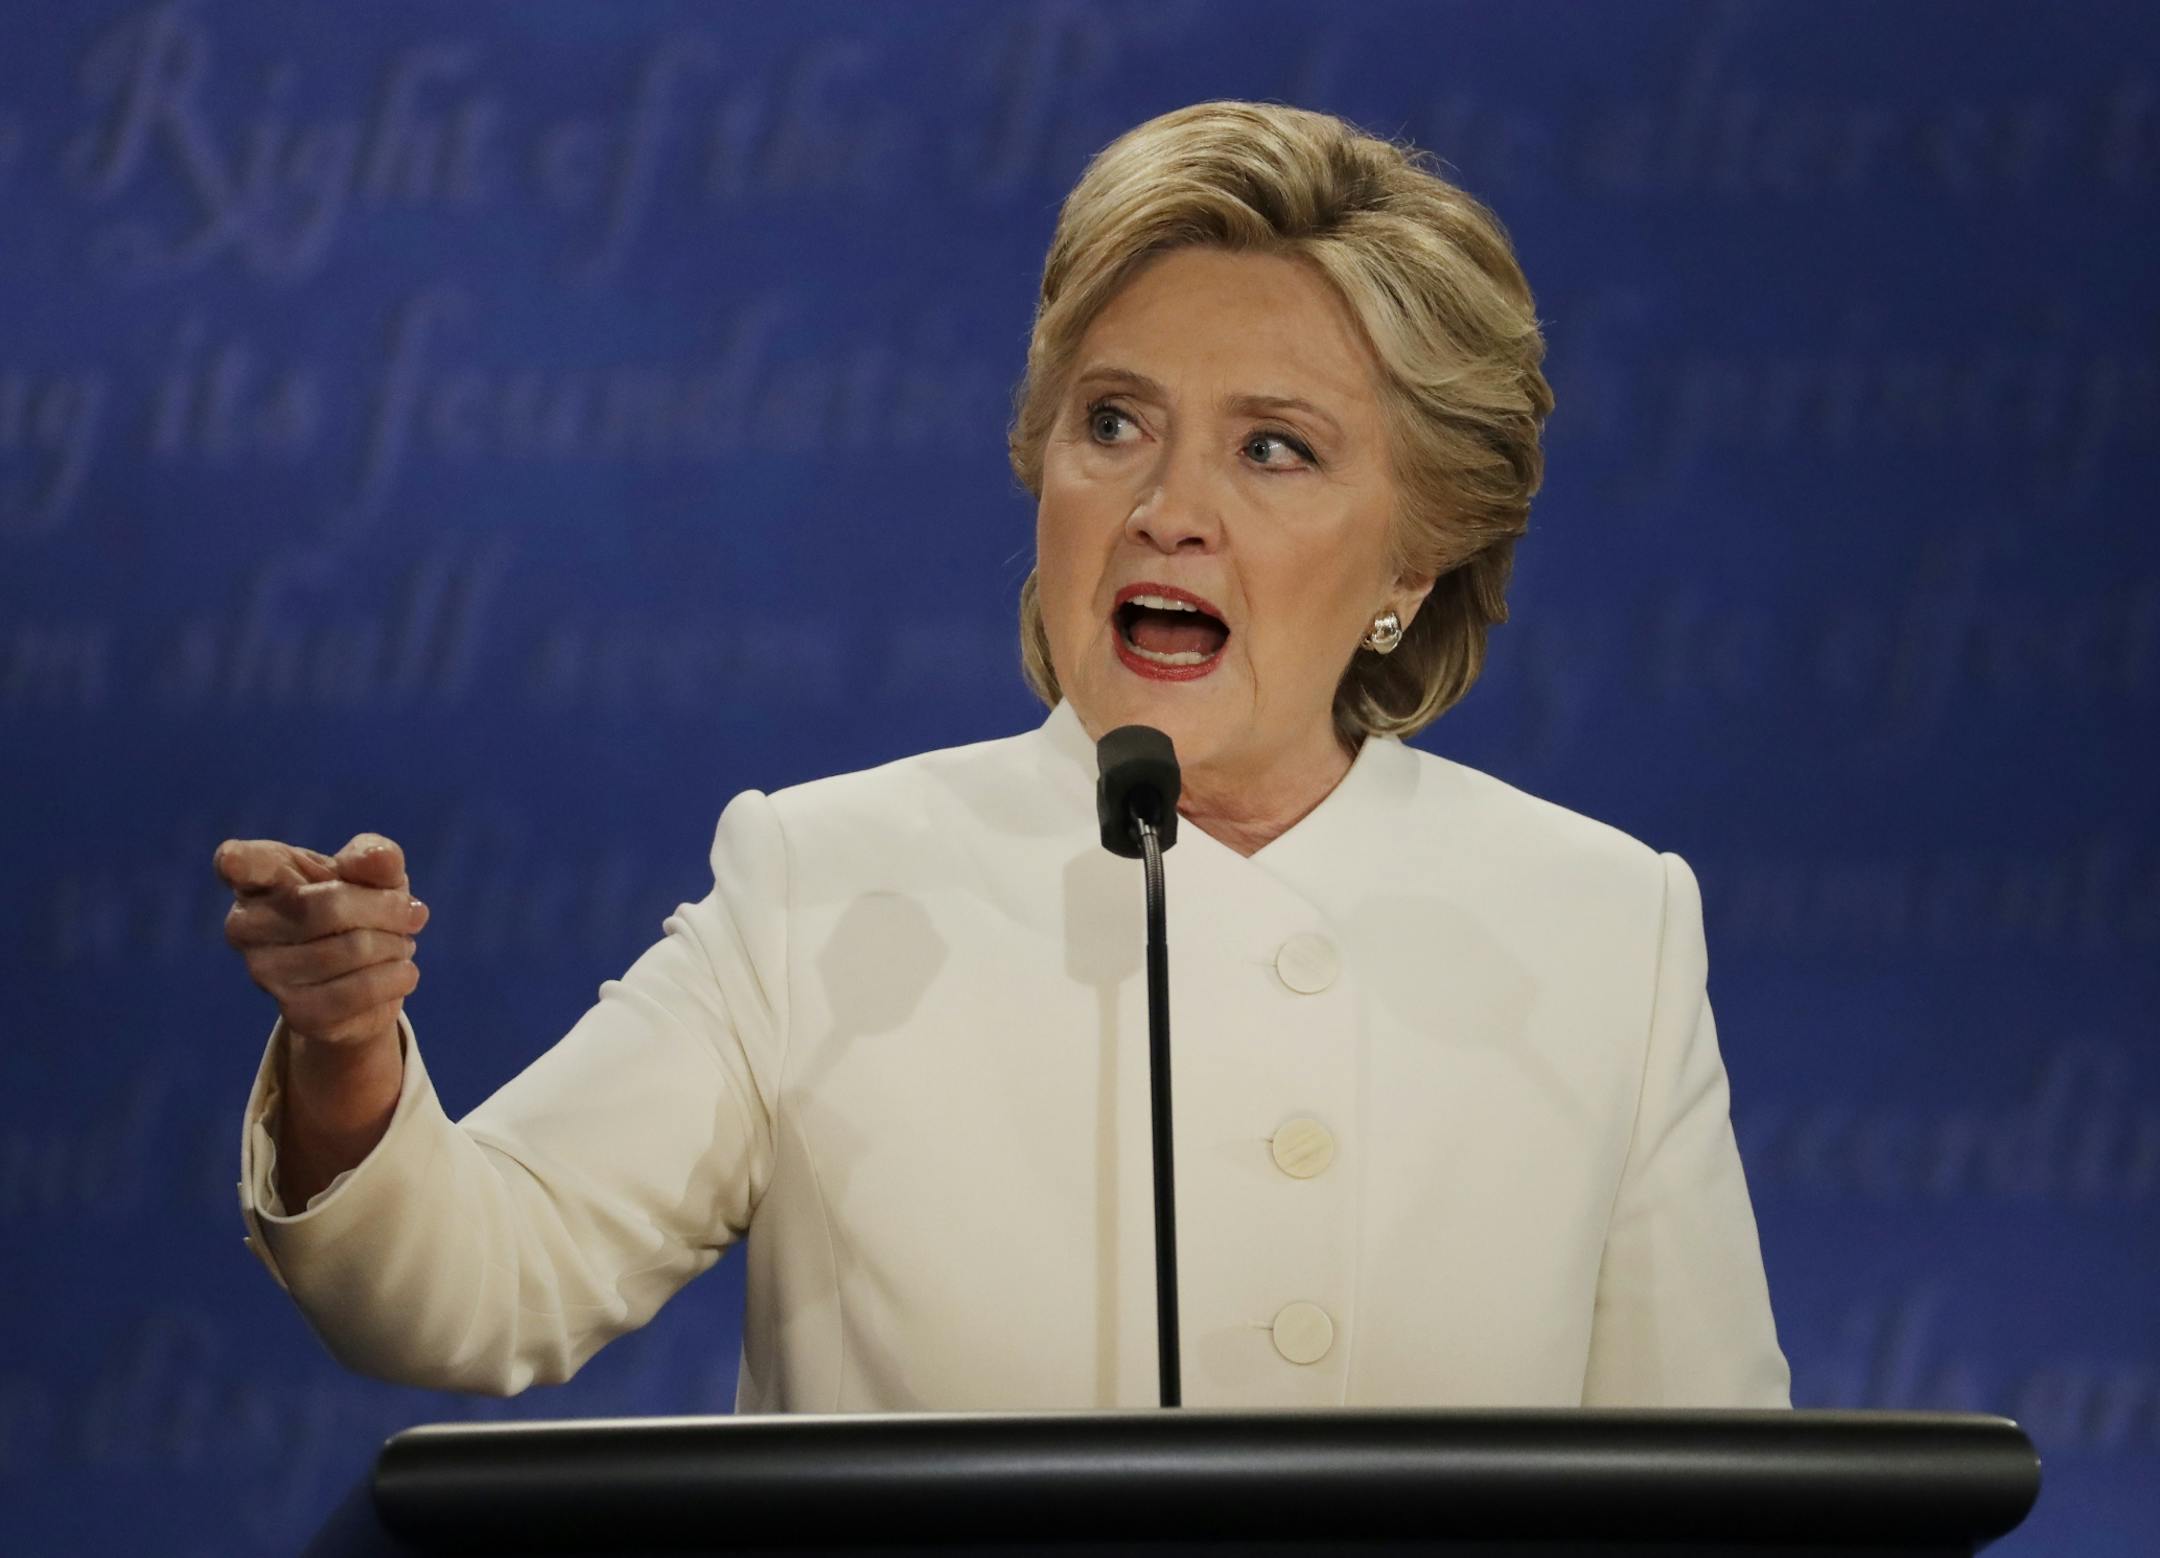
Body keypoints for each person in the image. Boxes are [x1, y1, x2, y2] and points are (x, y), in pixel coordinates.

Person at [220, 100, 1790, 1411]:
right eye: (1115, 422)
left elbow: (1717, 1489)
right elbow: (472, 1281)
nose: (1167, 509)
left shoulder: (1606, 925)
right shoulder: (827, 884)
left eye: (1274, 447)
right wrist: (351, 1060)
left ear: (1416, 557)